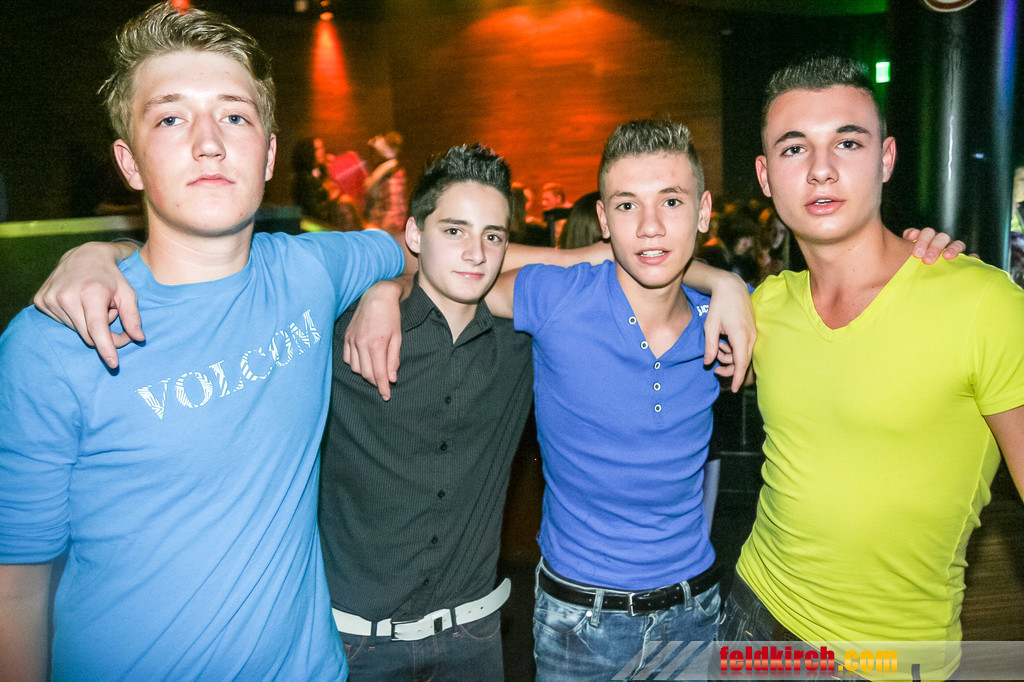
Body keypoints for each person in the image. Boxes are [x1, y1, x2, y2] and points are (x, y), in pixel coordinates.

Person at [0, 4, 404, 680]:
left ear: (268, 155)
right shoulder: (50, 346)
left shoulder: (308, 271)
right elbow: (15, 591)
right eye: (170, 119)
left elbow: (402, 249)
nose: (209, 143)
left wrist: (383, 289)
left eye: (235, 116)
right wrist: (98, 251)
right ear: (129, 162)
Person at [720, 55, 1024, 681]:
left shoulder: (982, 304)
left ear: (886, 159)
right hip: (753, 615)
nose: (822, 169)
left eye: (847, 142)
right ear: (766, 176)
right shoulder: (764, 307)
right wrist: (715, 279)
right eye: (794, 148)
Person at [365, 131, 407, 233]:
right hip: (380, 226)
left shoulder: (391, 174)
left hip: (385, 228)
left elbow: (395, 208)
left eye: (374, 152)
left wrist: (383, 230)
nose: (371, 156)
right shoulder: (383, 172)